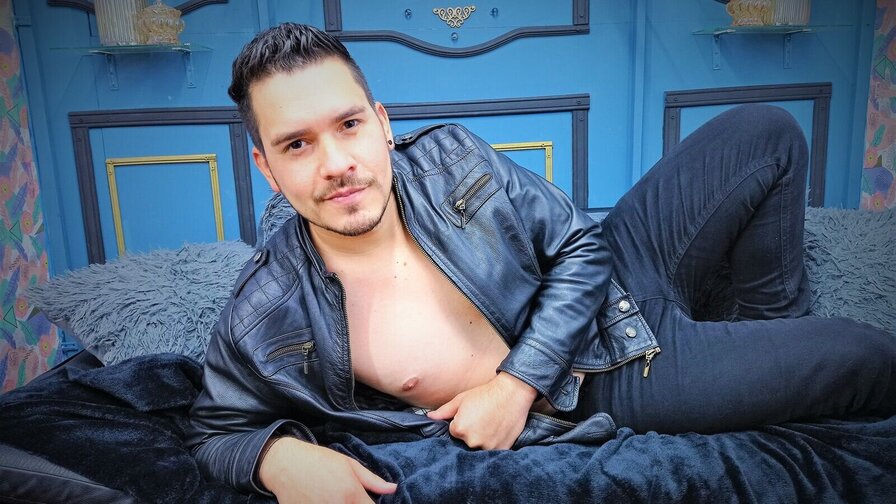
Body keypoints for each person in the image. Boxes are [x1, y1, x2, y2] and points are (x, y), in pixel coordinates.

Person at [187, 22, 896, 503]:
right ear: (266, 167)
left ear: (382, 122)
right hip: (610, 378)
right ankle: (766, 360)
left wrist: (514, 385)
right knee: (867, 356)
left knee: (767, 130)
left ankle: (770, 334)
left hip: (618, 269)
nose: (338, 164)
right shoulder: (266, 311)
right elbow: (213, 429)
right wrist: (279, 459)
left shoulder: (450, 156)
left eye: (348, 125)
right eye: (297, 145)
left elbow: (582, 244)